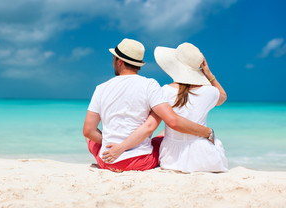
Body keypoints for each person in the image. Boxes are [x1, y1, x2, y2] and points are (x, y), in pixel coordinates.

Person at [83, 38, 215, 172]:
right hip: (140, 161)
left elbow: (88, 131)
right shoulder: (149, 85)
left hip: (108, 161)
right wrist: (207, 132)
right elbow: (171, 122)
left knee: (89, 137)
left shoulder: (101, 88)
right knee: (163, 135)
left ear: (119, 61)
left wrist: (114, 144)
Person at [154, 42, 228, 173]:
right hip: (206, 158)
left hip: (171, 159)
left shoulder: (164, 91)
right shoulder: (209, 92)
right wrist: (209, 74)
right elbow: (223, 96)